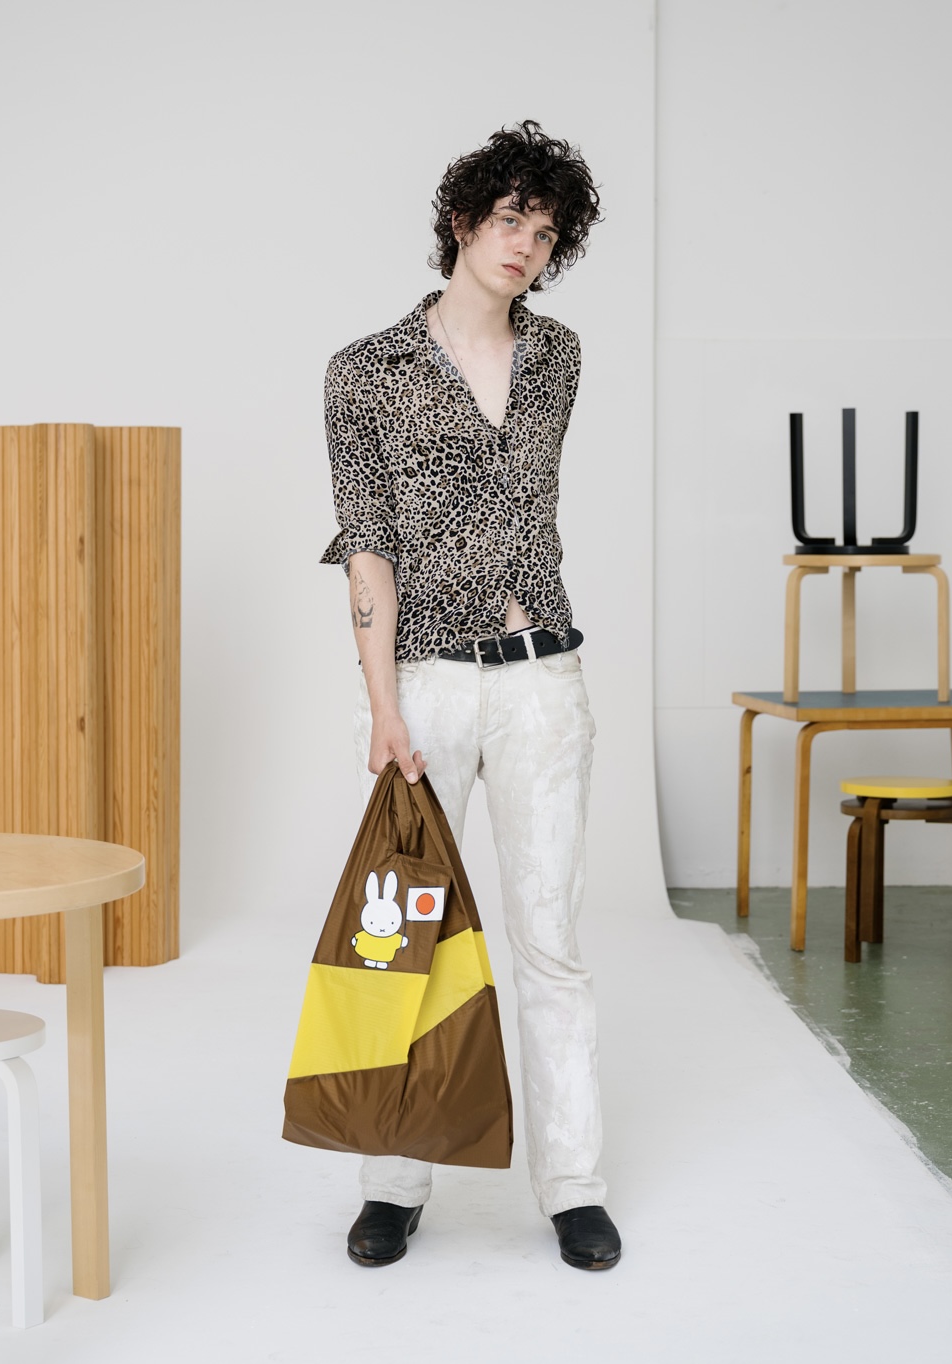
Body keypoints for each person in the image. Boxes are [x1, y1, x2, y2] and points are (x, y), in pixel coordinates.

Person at [320, 120, 619, 1272]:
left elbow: (514, 510)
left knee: (549, 942)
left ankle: (572, 1186)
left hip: (542, 676)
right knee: (402, 939)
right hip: (427, 684)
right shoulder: (365, 371)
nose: (523, 246)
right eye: (507, 220)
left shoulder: (558, 358)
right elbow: (368, 544)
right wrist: (382, 704)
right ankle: (391, 1183)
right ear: (460, 219)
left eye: (543, 232)